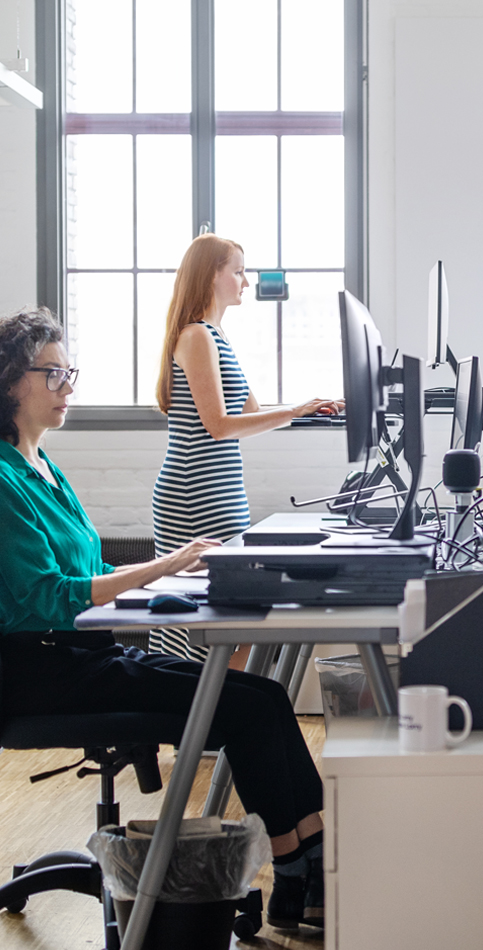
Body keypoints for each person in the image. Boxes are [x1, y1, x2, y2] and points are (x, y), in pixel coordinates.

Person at [0, 308, 326, 929]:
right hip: (41, 671)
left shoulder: (42, 465)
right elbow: (51, 596)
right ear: (11, 381)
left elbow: (84, 577)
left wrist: (175, 574)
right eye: (54, 374)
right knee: (248, 708)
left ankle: (312, 859)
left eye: (70, 371)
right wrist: (162, 567)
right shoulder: (2, 477)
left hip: (85, 655)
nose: (69, 385)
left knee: (267, 696)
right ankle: (294, 876)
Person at [152, 234, 342, 661]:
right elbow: (219, 426)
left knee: (231, 613)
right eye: (237, 271)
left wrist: (311, 409)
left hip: (220, 490)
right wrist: (295, 410)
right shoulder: (197, 336)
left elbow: (251, 412)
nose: (246, 281)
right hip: (195, 493)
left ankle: (217, 717)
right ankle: (186, 720)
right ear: (211, 276)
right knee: (207, 616)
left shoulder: (217, 336)